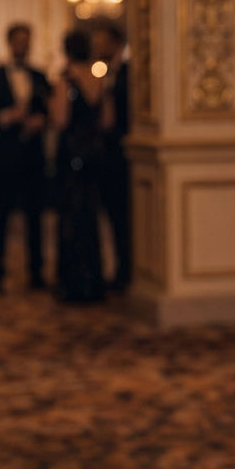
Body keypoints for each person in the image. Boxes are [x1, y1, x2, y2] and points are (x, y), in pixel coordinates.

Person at [0, 23, 50, 294]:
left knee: (35, 218)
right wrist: (5, 117)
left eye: (27, 41)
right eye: (19, 41)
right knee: (1, 218)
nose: (23, 46)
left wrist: (40, 120)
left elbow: (50, 109)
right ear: (9, 43)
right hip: (5, 157)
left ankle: (36, 272)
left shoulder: (39, 76)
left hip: (32, 155)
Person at [51, 28, 114, 303]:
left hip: (71, 155)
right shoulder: (99, 80)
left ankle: (73, 283)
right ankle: (93, 278)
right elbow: (107, 121)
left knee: (70, 218)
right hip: (94, 155)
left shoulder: (67, 81)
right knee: (90, 217)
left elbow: (61, 120)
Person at [89, 18, 132, 291]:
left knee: (124, 219)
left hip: (123, 156)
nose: (97, 46)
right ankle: (119, 269)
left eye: (101, 41)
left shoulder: (129, 74)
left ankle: (126, 270)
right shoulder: (106, 73)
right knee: (114, 218)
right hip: (108, 157)